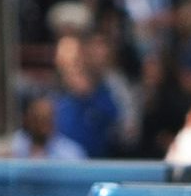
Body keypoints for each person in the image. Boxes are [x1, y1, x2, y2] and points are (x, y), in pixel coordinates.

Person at [45, 29, 134, 162]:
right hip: (61, 162)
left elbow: (120, 127)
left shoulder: (103, 89)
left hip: (96, 162)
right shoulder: (54, 93)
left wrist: (89, 96)